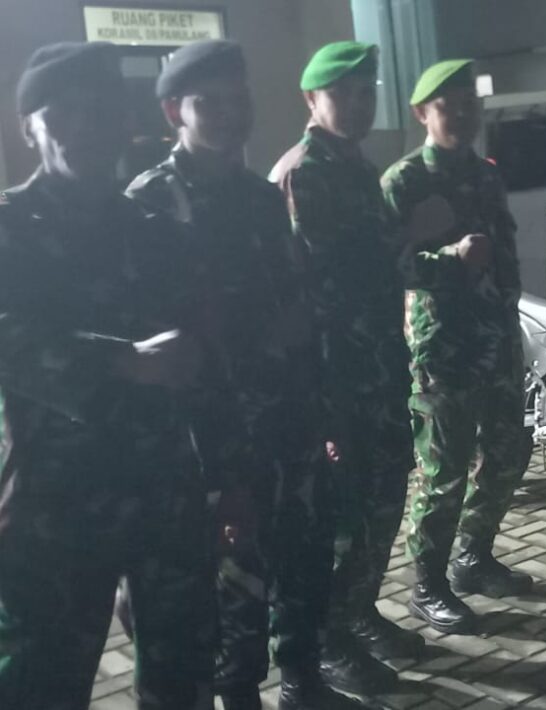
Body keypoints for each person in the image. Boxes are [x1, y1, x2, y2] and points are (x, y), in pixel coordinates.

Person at [125, 41, 362, 710]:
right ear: (174, 110)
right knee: (236, 583)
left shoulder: (260, 198)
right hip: (213, 438)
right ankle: (239, 695)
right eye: (211, 103)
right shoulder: (150, 202)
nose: (231, 115)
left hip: (287, 418)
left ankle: (302, 679)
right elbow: (159, 335)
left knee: (304, 556)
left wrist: (321, 409)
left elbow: (297, 307)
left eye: (241, 101)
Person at [0, 41, 216, 709]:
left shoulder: (154, 230)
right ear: (29, 128)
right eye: (62, 114)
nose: (84, 129)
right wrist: (121, 360)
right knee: (41, 685)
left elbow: (203, 357)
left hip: (164, 497)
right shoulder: (9, 229)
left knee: (182, 679)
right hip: (55, 508)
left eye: (100, 112)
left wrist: (228, 473)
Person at [270, 41, 422, 695]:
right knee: (342, 515)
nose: (358, 105)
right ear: (312, 100)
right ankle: (328, 639)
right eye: (343, 94)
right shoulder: (304, 174)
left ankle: (358, 612)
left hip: (378, 370)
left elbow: (383, 270)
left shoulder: (358, 169)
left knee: (383, 500)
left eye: (367, 93)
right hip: (335, 382)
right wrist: (323, 404)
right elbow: (319, 289)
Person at [379, 59, 532, 635]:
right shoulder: (403, 182)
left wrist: (511, 311)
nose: (463, 114)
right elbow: (385, 265)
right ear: (423, 113)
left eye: (471, 103)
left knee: (506, 455)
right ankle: (428, 585)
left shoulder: (487, 176)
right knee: (444, 472)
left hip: (497, 339)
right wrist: (449, 261)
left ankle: (474, 556)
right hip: (443, 347)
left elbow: (505, 254)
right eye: (449, 106)